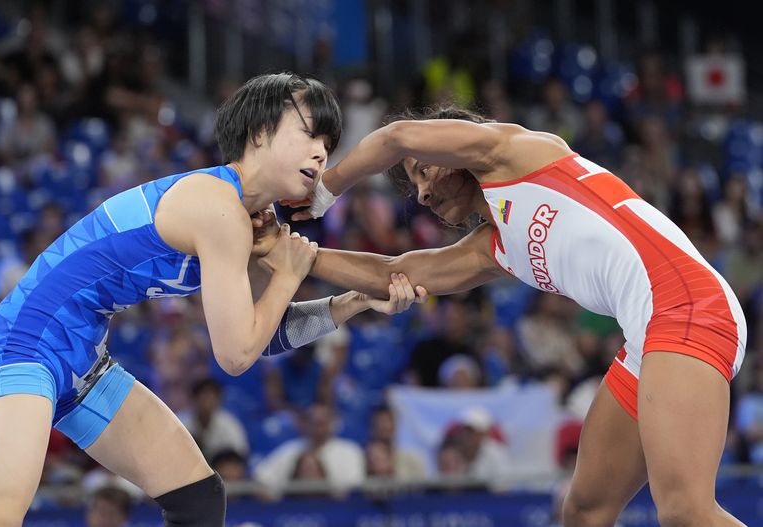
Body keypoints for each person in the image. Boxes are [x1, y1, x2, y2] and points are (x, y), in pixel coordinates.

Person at [0, 72, 426, 527]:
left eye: (327, 143)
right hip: (26, 348)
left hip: (84, 362)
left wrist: (352, 302)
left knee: (197, 499)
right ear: (259, 133)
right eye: (310, 133)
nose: (322, 153)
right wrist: (288, 276)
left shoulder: (245, 215)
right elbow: (236, 355)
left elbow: (261, 334)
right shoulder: (219, 209)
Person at [291, 105, 747, 527]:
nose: (424, 194)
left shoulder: (516, 152)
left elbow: (398, 136)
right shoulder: (496, 247)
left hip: (687, 306)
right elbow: (394, 272)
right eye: (415, 188)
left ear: (452, 147)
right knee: (585, 511)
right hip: (649, 332)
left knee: (685, 511)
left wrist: (324, 189)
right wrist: (294, 253)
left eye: (424, 171)